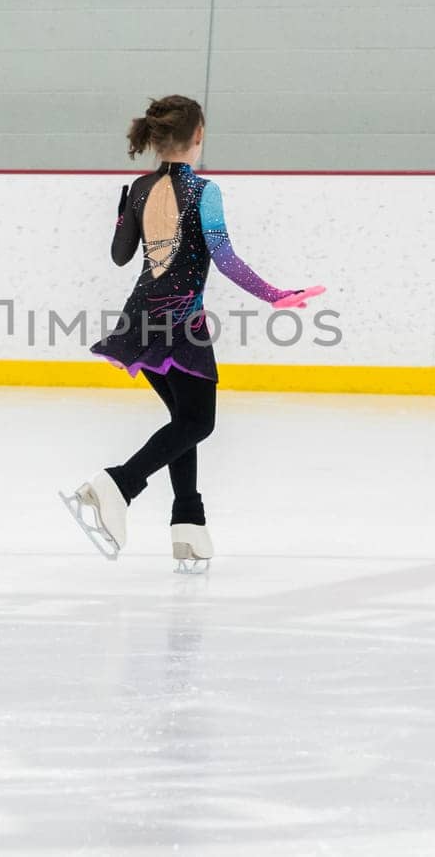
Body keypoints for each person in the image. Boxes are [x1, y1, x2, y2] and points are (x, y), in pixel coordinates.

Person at [60, 95, 324, 571]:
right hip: (182, 323)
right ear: (198, 137)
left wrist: (126, 212)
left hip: (141, 317)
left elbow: (121, 256)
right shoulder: (206, 192)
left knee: (184, 421)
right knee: (198, 422)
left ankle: (189, 524)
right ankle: (117, 485)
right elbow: (223, 258)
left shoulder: (138, 187)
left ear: (157, 139)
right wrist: (274, 294)